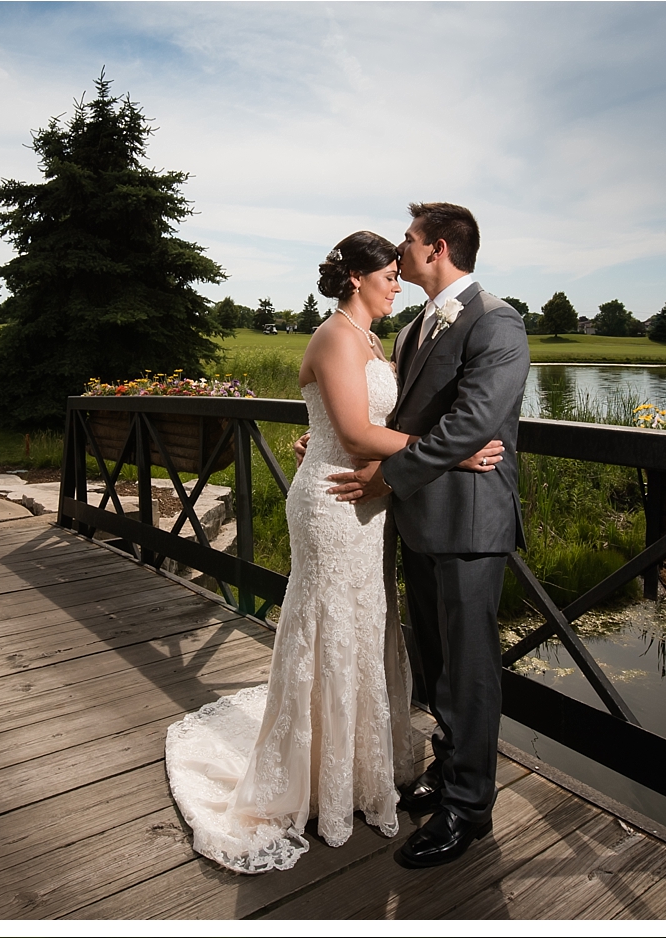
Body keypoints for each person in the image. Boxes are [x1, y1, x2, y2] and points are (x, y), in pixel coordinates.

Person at [165, 229, 507, 874]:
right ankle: (321, 778)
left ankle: (357, 767)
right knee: (331, 625)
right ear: (357, 278)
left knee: (364, 626)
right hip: (335, 502)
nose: (397, 283)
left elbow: (363, 418)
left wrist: (320, 437)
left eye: (400, 272)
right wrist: (455, 453)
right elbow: (351, 430)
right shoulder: (334, 335)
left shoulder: (382, 338)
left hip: (370, 503)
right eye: (388, 276)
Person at [326, 203, 531, 869]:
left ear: (437, 248)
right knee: (439, 665)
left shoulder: (498, 322)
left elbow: (473, 425)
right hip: (422, 521)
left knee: (470, 672)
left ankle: (469, 810)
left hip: (471, 522)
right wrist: (332, 443)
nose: (401, 251)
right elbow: (402, 416)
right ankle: (448, 775)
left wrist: (386, 477)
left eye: (409, 242)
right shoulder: (415, 328)